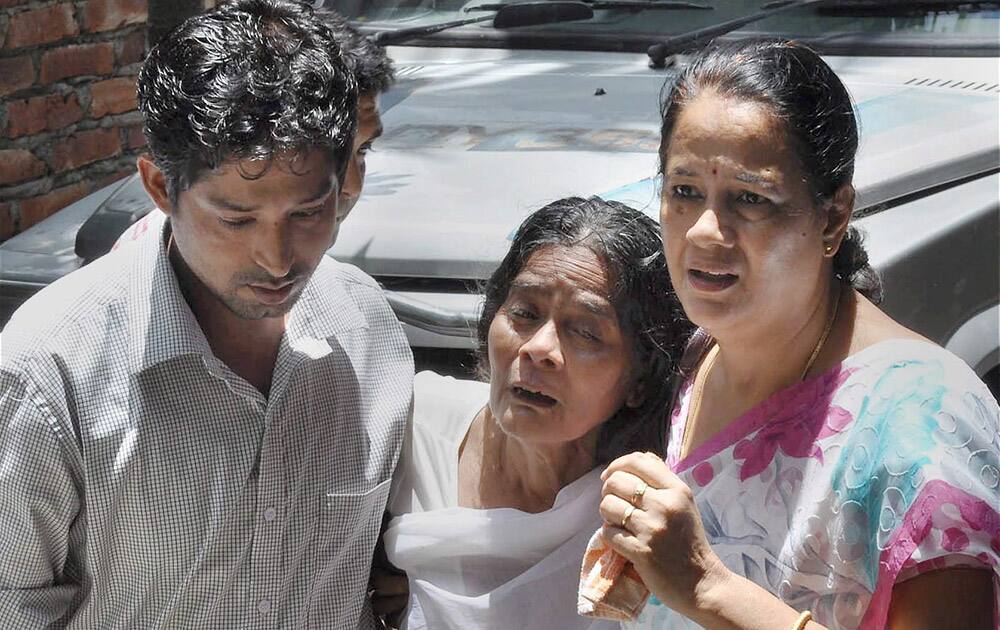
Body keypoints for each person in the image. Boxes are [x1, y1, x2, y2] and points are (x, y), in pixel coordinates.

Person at [0, 1, 412, 628]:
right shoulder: (48, 373)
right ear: (161, 188)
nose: (277, 259)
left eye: (307, 213)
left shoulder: (369, 334)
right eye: (235, 219)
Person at [588, 39, 999, 629]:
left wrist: (707, 587)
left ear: (832, 217)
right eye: (684, 192)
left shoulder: (926, 428)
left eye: (750, 199)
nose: (705, 231)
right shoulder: (701, 353)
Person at [378, 196, 693, 628]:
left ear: (639, 381)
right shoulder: (405, 424)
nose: (539, 349)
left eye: (586, 332)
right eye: (524, 313)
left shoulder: (649, 511)